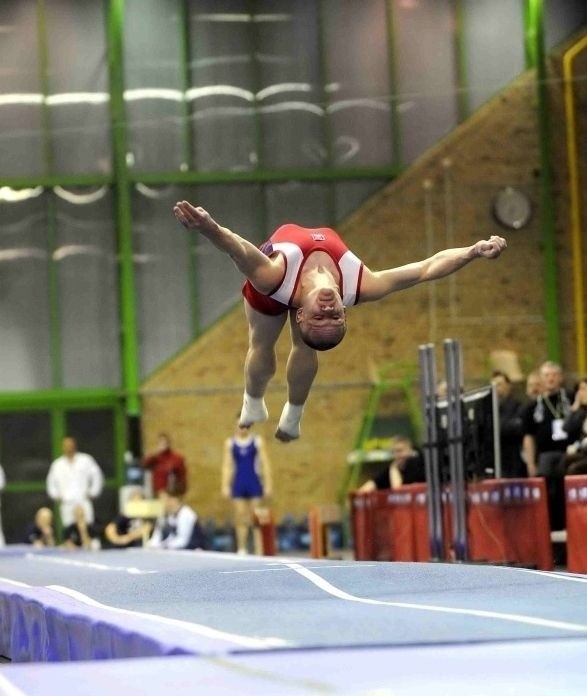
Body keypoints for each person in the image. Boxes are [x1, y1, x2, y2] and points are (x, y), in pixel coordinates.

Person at [173, 201, 507, 442]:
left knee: (264, 341)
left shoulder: (272, 277)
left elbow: (236, 247)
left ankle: (278, 408)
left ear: (301, 314)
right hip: (294, 285)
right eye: (334, 315)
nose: (329, 307)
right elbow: (425, 269)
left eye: (320, 315)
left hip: (276, 291)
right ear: (346, 311)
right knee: (277, 345)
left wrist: (208, 227)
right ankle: (261, 406)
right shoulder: (361, 284)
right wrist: (472, 251)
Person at [522, 361, 572, 530]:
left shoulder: (570, 399)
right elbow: (528, 437)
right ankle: (550, 526)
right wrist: (530, 463)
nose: (550, 379)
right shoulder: (533, 407)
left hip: (569, 453)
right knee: (547, 491)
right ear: (541, 379)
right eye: (546, 375)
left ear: (561, 378)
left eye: (554, 375)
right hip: (545, 455)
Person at [221, 418, 273, 555]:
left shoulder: (257, 441)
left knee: (256, 518)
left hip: (253, 482)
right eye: (240, 425)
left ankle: (259, 549)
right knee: (240, 517)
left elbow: (264, 463)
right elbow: (227, 466)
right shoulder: (230, 443)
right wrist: (225, 485)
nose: (242, 428)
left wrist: (268, 484)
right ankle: (242, 548)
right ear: (235, 426)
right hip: (239, 483)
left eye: (245, 426)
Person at [46, 436, 104, 527]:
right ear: (63, 447)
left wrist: (93, 492)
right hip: (67, 502)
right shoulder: (57, 464)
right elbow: (51, 482)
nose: (69, 447)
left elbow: (97, 476)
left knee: (88, 527)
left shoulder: (86, 460)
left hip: (83, 500)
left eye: (70, 445)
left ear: (74, 445)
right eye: (66, 445)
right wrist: (56, 496)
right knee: (69, 529)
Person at [357, 436, 426, 492]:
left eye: (400, 451)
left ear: (410, 450)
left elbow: (399, 492)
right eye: (393, 452)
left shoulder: (418, 465)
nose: (396, 455)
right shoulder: (392, 467)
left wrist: (394, 469)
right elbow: (366, 488)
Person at [148, 484, 205, 550]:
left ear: (173, 500)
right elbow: (156, 537)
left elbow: (182, 541)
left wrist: (163, 546)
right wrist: (151, 545)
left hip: (192, 552)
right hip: (171, 551)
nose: (161, 502)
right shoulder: (164, 516)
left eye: (163, 499)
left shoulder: (186, 514)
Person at [491, 370, 526, 478]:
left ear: (508, 386)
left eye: (500, 384)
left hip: (512, 457)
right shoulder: (488, 409)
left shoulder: (518, 406)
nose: (496, 388)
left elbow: (517, 428)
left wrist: (498, 428)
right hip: (494, 458)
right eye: (494, 385)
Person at [143, 433, 187, 498]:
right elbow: (144, 464)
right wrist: (155, 454)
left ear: (169, 443)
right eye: (161, 442)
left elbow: (182, 477)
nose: (163, 444)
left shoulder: (177, 458)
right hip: (157, 493)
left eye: (165, 442)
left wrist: (181, 492)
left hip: (172, 493)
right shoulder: (155, 458)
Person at [561, 377, 587, 476]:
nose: (580, 393)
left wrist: (578, 447)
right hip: (584, 452)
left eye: (583, 389)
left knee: (574, 468)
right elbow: (566, 427)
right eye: (579, 390)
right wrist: (575, 407)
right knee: (565, 460)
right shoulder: (582, 412)